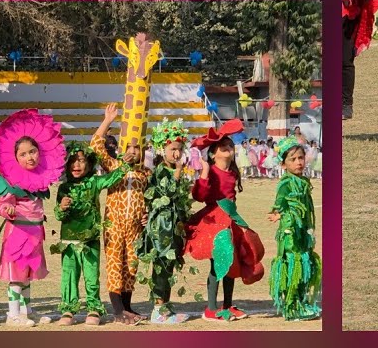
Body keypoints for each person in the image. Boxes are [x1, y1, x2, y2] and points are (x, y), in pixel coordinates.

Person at [0, 109, 66, 327]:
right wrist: (8, 210)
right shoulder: (12, 182)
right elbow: (2, 204)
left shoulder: (40, 180)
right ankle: (13, 313)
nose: (29, 157)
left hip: (35, 234)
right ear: (14, 158)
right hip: (18, 234)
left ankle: (26, 310)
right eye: (22, 154)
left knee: (28, 274)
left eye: (32, 152)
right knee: (16, 274)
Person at [186, 119, 266, 322]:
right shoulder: (211, 171)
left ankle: (227, 305)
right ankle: (211, 308)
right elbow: (199, 196)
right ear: (213, 154)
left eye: (230, 145)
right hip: (214, 222)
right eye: (223, 146)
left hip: (230, 220)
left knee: (232, 263)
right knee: (218, 263)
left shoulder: (232, 172)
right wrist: (204, 172)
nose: (228, 148)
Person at [91, 103, 151, 324]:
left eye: (137, 148)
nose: (133, 151)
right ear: (122, 149)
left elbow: (150, 200)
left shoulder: (145, 173)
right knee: (115, 265)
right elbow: (96, 146)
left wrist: (146, 215)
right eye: (129, 147)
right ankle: (117, 312)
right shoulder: (113, 166)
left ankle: (127, 307)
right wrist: (107, 121)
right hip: (114, 226)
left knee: (131, 267)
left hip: (135, 228)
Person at [55, 141, 125, 325]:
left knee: (91, 275)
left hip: (90, 239)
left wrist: (125, 164)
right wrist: (62, 207)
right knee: (69, 276)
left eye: (81, 161)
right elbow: (57, 213)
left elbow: (111, 178)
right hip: (69, 240)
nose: (76, 165)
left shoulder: (94, 182)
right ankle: (68, 309)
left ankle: (94, 308)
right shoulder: (64, 188)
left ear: (89, 163)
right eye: (72, 161)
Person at [138, 121, 192, 324]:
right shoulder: (160, 171)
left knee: (169, 266)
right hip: (162, 226)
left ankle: (165, 306)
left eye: (179, 149)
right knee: (160, 265)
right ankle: (157, 309)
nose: (177, 154)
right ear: (162, 149)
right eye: (173, 149)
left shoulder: (173, 170)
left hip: (174, 226)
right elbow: (166, 194)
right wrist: (177, 175)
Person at [268, 138, 321, 321]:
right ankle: (291, 307)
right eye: (293, 159)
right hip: (290, 231)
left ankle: (301, 302)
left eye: (301, 157)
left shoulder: (304, 181)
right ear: (283, 164)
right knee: (294, 264)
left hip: (303, 229)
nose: (299, 162)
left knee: (305, 263)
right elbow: (279, 203)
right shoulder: (286, 183)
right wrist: (277, 214)